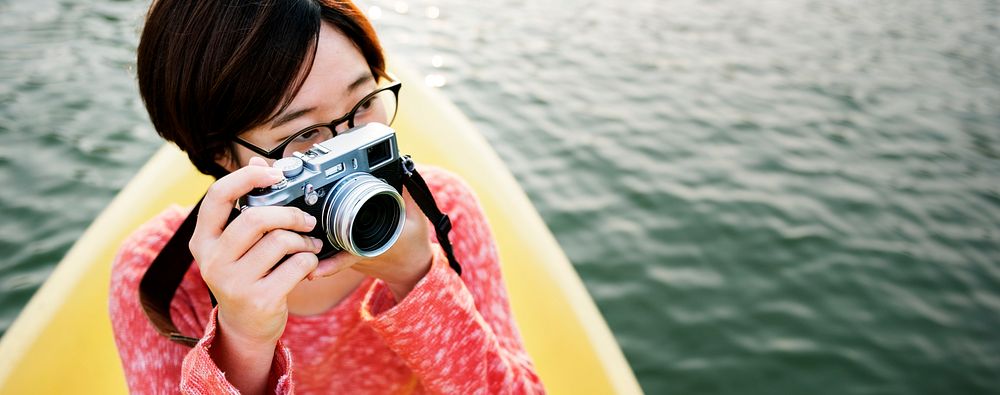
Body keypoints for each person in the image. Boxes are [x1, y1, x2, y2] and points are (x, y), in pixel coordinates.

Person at [107, 0, 544, 393]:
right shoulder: (160, 277)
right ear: (219, 152)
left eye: (363, 104)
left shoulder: (443, 210)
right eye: (305, 135)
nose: (348, 147)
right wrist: (242, 340)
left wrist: (416, 275)